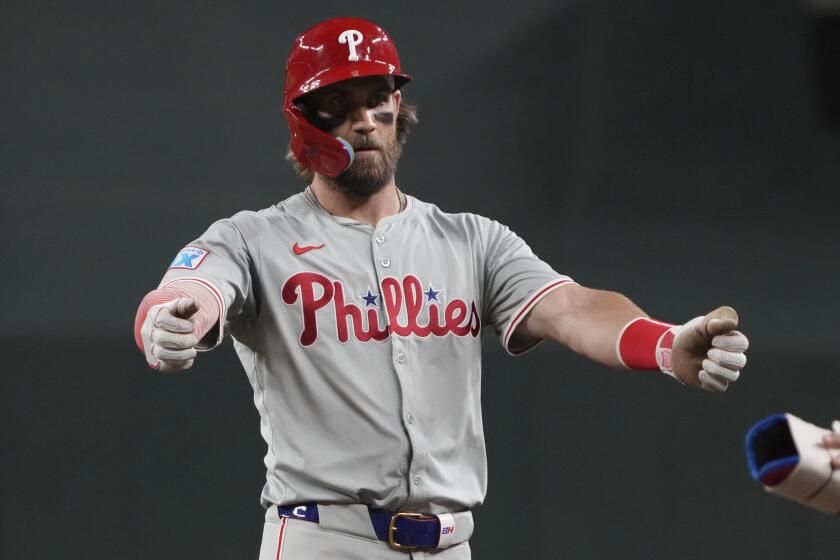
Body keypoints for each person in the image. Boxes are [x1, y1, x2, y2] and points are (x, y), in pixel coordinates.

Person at [133, 17, 750, 559]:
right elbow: (192, 287)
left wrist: (665, 344)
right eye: (342, 104)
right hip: (324, 541)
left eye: (379, 100)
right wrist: (172, 320)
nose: (367, 120)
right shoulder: (254, 239)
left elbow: (574, 307)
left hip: (450, 545)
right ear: (304, 117)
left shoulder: (472, 241)